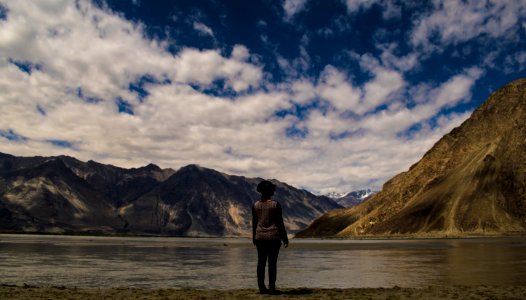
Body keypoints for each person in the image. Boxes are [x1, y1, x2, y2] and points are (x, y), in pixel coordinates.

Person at [252, 180, 289, 295]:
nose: (274, 191)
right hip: (273, 238)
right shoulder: (275, 205)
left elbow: (254, 223)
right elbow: (280, 223)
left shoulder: (256, 205)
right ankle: (272, 288)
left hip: (260, 237)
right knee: (272, 264)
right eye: (272, 189)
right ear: (269, 191)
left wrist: (254, 237)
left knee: (261, 263)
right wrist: (285, 238)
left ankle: (262, 288)